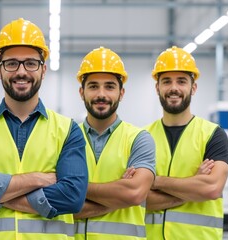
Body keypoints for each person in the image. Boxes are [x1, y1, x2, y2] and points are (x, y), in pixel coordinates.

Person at [0, 18, 88, 240]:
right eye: (12, 63)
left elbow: (72, 196)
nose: (21, 71)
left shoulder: (68, 130)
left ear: (43, 70)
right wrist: (38, 179)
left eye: (31, 63)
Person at [145, 46, 228, 240]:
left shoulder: (212, 134)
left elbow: (211, 188)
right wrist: (193, 186)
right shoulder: (142, 137)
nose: (174, 88)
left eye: (181, 81)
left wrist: (156, 182)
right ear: (157, 87)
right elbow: (138, 198)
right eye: (166, 81)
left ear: (193, 87)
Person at [73, 47, 156, 240]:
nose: (101, 94)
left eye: (110, 86)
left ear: (121, 93)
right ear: (81, 92)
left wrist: (73, 187)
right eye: (93, 86)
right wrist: (118, 194)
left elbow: (134, 193)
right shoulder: (64, 137)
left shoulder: (139, 139)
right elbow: (56, 202)